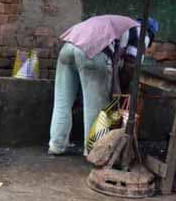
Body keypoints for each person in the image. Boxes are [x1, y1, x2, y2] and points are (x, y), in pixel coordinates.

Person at [48, 15, 159, 155]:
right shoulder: (141, 33)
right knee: (95, 108)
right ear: (151, 33)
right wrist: (121, 89)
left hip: (67, 49)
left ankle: (56, 146)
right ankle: (94, 152)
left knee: (62, 103)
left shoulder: (119, 22)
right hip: (92, 53)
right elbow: (131, 65)